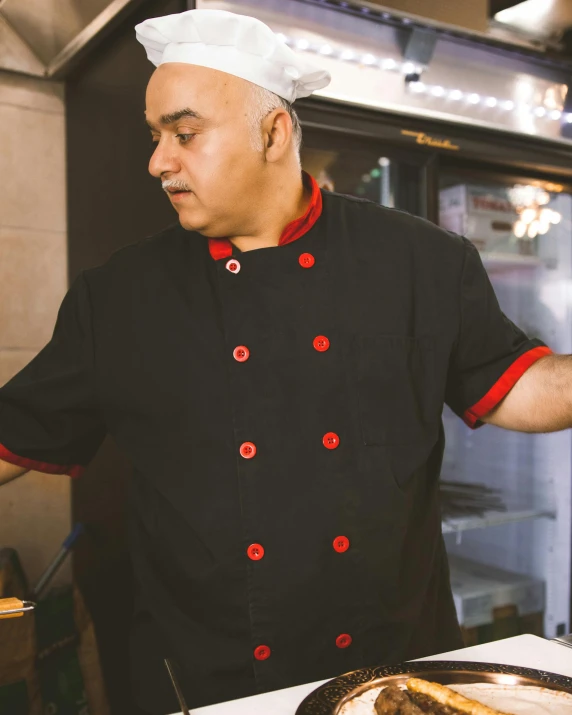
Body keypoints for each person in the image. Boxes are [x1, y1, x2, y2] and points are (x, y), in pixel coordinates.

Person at [0, 7, 569, 714]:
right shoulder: (118, 297)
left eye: (184, 133)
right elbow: (14, 434)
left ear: (272, 132)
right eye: (155, 137)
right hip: (211, 687)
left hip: (395, 678)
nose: (157, 161)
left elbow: (519, 387)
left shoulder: (420, 260)